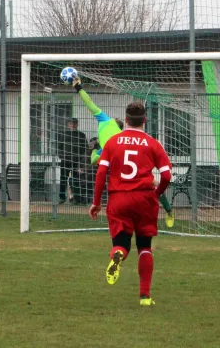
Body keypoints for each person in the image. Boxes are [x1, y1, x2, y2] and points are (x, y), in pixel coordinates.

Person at [89, 101, 172, 307]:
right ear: (145, 120)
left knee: (121, 243)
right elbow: (167, 175)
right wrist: (157, 193)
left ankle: (117, 254)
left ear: (125, 120)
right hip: (144, 199)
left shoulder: (113, 142)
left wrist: (96, 203)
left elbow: (101, 173)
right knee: (144, 247)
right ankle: (145, 297)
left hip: (119, 199)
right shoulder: (153, 143)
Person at [72, 77, 175, 228]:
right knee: (153, 183)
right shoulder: (113, 131)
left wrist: (79, 87)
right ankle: (168, 210)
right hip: (120, 160)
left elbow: (89, 103)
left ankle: (122, 234)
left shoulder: (105, 122)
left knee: (134, 185)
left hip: (119, 159)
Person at [56, 117, 88, 204]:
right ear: (68, 125)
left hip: (77, 162)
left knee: (76, 180)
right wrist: (62, 156)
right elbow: (59, 147)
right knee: (63, 179)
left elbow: (85, 149)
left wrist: (81, 162)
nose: (73, 125)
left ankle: (76, 199)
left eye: (74, 123)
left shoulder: (81, 135)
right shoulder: (63, 134)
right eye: (71, 123)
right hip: (65, 161)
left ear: (77, 124)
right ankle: (62, 197)